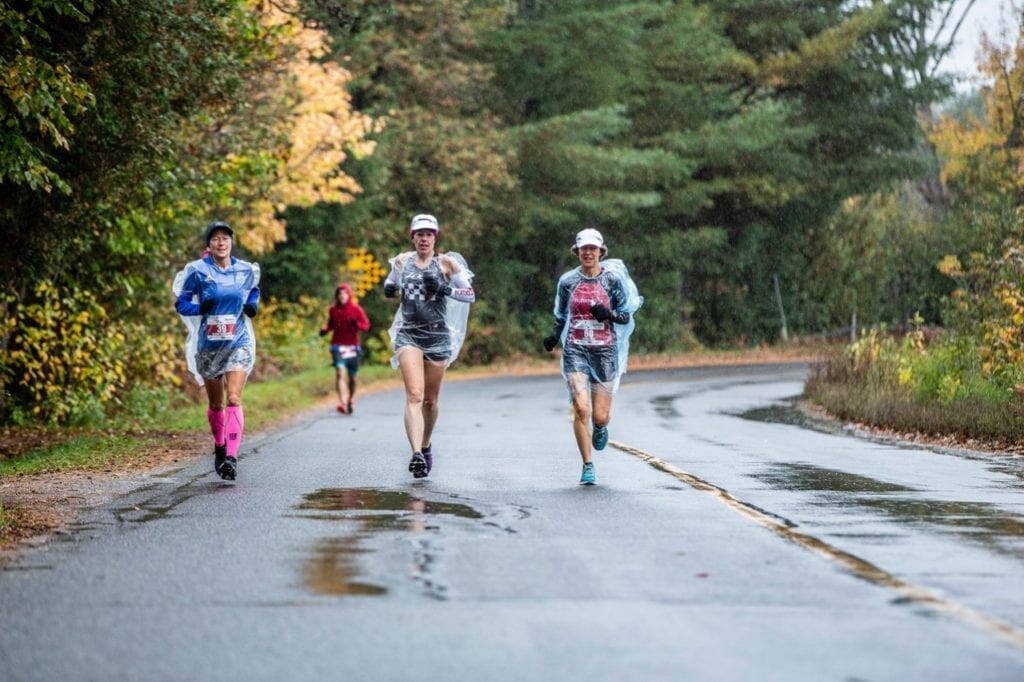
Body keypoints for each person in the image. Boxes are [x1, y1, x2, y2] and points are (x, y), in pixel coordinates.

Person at [543, 228, 642, 485]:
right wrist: (554, 336)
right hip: (575, 350)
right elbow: (561, 315)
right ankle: (587, 465)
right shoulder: (567, 282)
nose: (588, 253)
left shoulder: (612, 280)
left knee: (599, 416)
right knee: (581, 409)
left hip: (605, 352)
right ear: (577, 252)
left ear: (600, 251)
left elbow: (626, 315)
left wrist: (608, 315)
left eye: (592, 248)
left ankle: (600, 427)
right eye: (583, 249)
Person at [382, 214, 475, 478]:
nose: (424, 239)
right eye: (419, 234)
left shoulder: (447, 263)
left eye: (429, 234)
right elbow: (390, 281)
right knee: (414, 395)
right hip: (409, 334)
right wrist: (389, 288)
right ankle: (416, 454)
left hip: (437, 336)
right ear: (412, 237)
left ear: (435, 238)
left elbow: (470, 295)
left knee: (430, 401)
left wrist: (446, 290)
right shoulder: (402, 261)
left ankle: (425, 444)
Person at [173, 221, 261, 481]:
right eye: (215, 239)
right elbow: (181, 304)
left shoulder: (245, 269)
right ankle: (220, 445)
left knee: (234, 398)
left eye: (225, 238)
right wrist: (201, 308)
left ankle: (231, 458)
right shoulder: (198, 271)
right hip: (210, 346)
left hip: (238, 342)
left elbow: (253, 290)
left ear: (231, 242)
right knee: (216, 403)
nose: (221, 243)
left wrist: (253, 304)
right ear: (209, 245)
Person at [320, 283, 371, 414]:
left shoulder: (356, 309)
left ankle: (350, 399)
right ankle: (342, 402)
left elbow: (366, 326)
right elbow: (331, 325)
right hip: (337, 345)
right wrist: (325, 331)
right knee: (339, 372)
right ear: (337, 296)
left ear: (349, 295)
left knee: (352, 377)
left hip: (353, 346)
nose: (342, 296)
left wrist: (357, 324)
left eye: (345, 293)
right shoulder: (333, 310)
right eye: (340, 294)